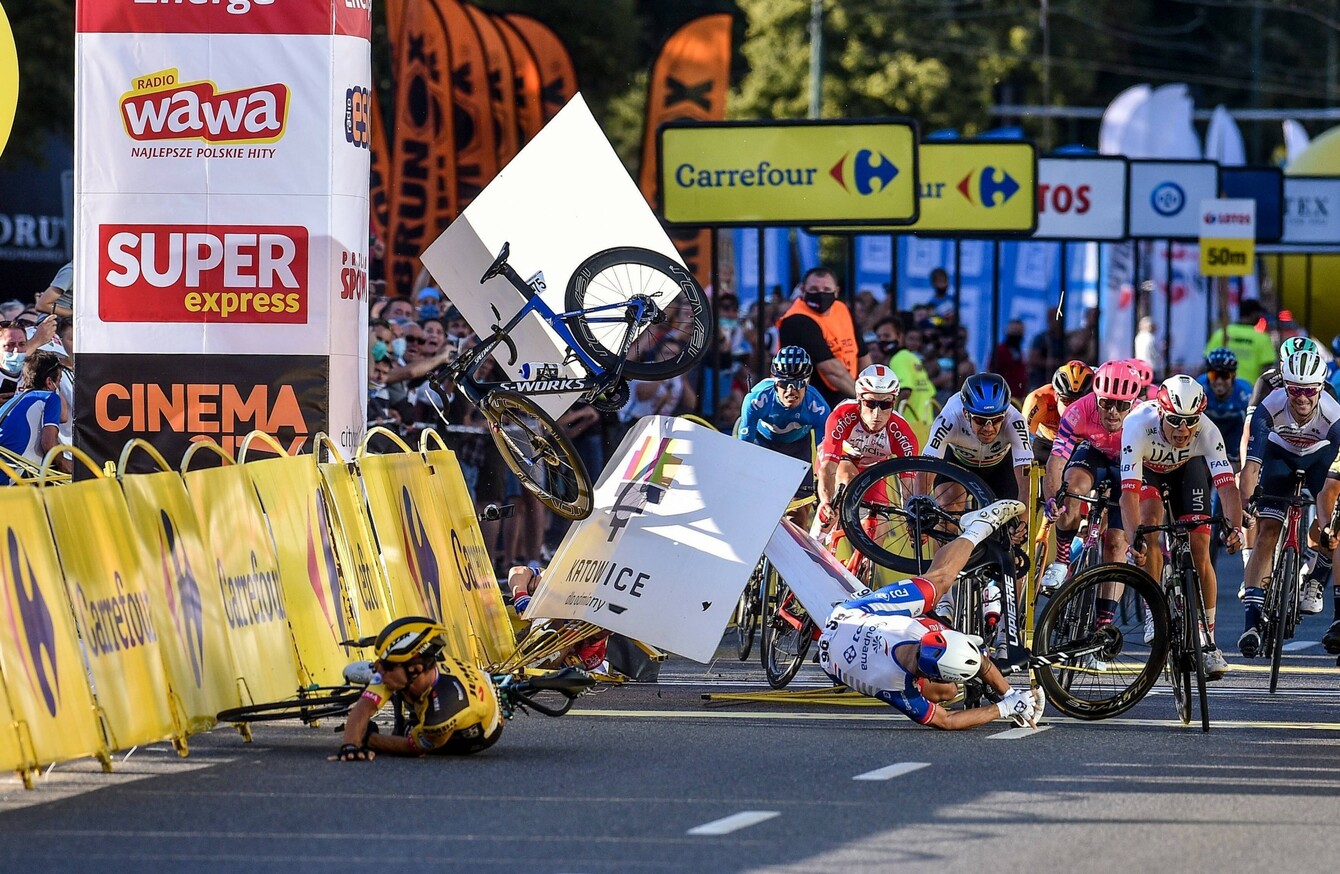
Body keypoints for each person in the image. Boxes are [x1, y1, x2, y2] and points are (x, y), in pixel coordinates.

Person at [817, 499, 1044, 730]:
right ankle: (976, 529)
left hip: (852, 619)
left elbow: (951, 712)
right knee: (949, 691)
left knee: (939, 582)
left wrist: (1011, 695)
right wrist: (1006, 706)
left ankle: (976, 529)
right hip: (840, 649)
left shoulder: (910, 648)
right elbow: (946, 721)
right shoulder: (899, 687)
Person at [1121, 375, 1244, 680]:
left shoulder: (1207, 430)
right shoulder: (1137, 425)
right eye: (1175, 420)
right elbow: (1128, 495)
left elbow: (1228, 489)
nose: (1183, 429)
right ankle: (1153, 611)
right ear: (1161, 413)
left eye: (1190, 421)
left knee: (1200, 550)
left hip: (1187, 472)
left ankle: (1208, 640)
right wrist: (1132, 539)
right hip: (1148, 472)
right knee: (1148, 525)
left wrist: (1236, 528)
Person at [1238, 349, 1340, 658]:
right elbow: (1251, 467)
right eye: (1295, 389)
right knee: (1267, 530)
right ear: (1285, 387)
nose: (1302, 397)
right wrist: (1245, 506)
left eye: (1310, 390)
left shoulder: (1334, 416)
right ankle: (1252, 624)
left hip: (1319, 459)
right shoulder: (1269, 407)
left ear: (1320, 388)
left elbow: (1329, 487)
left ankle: (1320, 576)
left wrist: (1328, 526)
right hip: (1279, 457)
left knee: (1330, 526)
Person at [332, 617, 504, 761]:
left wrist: (369, 739)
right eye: (379, 664)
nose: (379, 669)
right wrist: (350, 745)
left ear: (415, 670)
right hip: (445, 681)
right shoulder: (413, 665)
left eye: (386, 666)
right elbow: (364, 706)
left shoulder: (441, 713)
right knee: (389, 685)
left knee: (408, 733)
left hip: (475, 734)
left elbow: (412, 748)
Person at [1039, 360, 1143, 593]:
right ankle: (1062, 560)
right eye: (1105, 403)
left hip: (1129, 463)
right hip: (1095, 453)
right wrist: (1052, 498)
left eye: (1121, 405)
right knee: (1071, 487)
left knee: (1116, 543)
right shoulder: (1078, 411)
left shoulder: (1144, 416)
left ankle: (1103, 622)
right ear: (1096, 398)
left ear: (1133, 403)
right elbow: (1056, 461)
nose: (1113, 412)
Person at [816, 364, 919, 529]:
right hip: (842, 459)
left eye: (885, 405)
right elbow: (828, 467)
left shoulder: (903, 433)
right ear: (859, 400)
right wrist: (826, 502)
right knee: (846, 485)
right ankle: (818, 538)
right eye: (871, 404)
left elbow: (908, 488)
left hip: (873, 469)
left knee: (878, 528)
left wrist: (914, 522)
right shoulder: (842, 415)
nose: (877, 413)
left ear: (894, 402)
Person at [737, 346, 831, 521]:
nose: (790, 391)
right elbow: (744, 447)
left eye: (797, 384)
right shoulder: (756, 399)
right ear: (774, 380)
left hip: (797, 449)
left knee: (798, 516)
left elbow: (824, 457)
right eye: (783, 384)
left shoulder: (817, 407)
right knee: (757, 509)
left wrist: (822, 486)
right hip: (762, 444)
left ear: (807, 382)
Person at [923, 373, 1031, 503]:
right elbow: (926, 468)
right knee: (949, 503)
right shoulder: (950, 418)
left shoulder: (1015, 420)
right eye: (980, 420)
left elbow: (1026, 482)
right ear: (966, 413)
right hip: (957, 463)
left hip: (999, 466)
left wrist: (1023, 522)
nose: (988, 428)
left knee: (1009, 514)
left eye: (997, 419)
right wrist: (918, 511)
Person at [777, 267, 870, 408]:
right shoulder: (796, 320)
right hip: (808, 404)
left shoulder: (842, 310)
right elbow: (830, 369)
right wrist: (865, 401)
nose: (821, 294)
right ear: (802, 290)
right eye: (814, 289)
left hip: (846, 395)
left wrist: (871, 389)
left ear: (836, 291)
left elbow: (863, 355)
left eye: (827, 290)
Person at [0, 351, 70, 481]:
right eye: (59, 380)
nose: (59, 386)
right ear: (49, 382)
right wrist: (64, 463)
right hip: (15, 480)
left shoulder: (13, 400)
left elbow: (63, 417)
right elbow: (48, 444)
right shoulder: (50, 398)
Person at [1023, 360, 1094, 463]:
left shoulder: (1099, 405)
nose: (1072, 408)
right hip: (1047, 444)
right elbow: (1023, 445)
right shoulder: (1038, 400)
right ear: (1056, 395)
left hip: (1083, 446)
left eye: (1079, 402)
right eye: (1066, 401)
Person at [872, 317, 936, 426]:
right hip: (925, 424)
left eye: (887, 336)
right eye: (879, 337)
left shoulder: (898, 359)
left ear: (900, 336)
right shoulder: (912, 357)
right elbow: (931, 392)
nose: (882, 340)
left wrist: (890, 415)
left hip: (909, 426)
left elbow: (905, 390)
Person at [1197, 348, 1252, 466]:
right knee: (1201, 466)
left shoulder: (1245, 393)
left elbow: (1251, 427)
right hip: (1207, 431)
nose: (1219, 381)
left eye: (1225, 375)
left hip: (1234, 430)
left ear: (1233, 376)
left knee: (1234, 468)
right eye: (1213, 375)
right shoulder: (1199, 387)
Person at [1204, 298, 1275, 385]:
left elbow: (1207, 361)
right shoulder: (1261, 338)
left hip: (1222, 388)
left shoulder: (1221, 333)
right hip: (1250, 391)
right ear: (1253, 314)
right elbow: (1267, 369)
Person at [988, 319, 1029, 399]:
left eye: (1019, 333)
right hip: (1003, 396)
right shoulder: (1000, 350)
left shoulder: (1019, 352)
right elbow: (991, 371)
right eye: (1014, 334)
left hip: (1019, 396)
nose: (1016, 337)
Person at [1027, 308, 1068, 388]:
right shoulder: (1041, 338)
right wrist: (1051, 363)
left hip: (1062, 384)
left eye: (1059, 318)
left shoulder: (1065, 339)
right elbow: (1033, 359)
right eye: (1053, 318)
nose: (1057, 321)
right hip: (1041, 383)